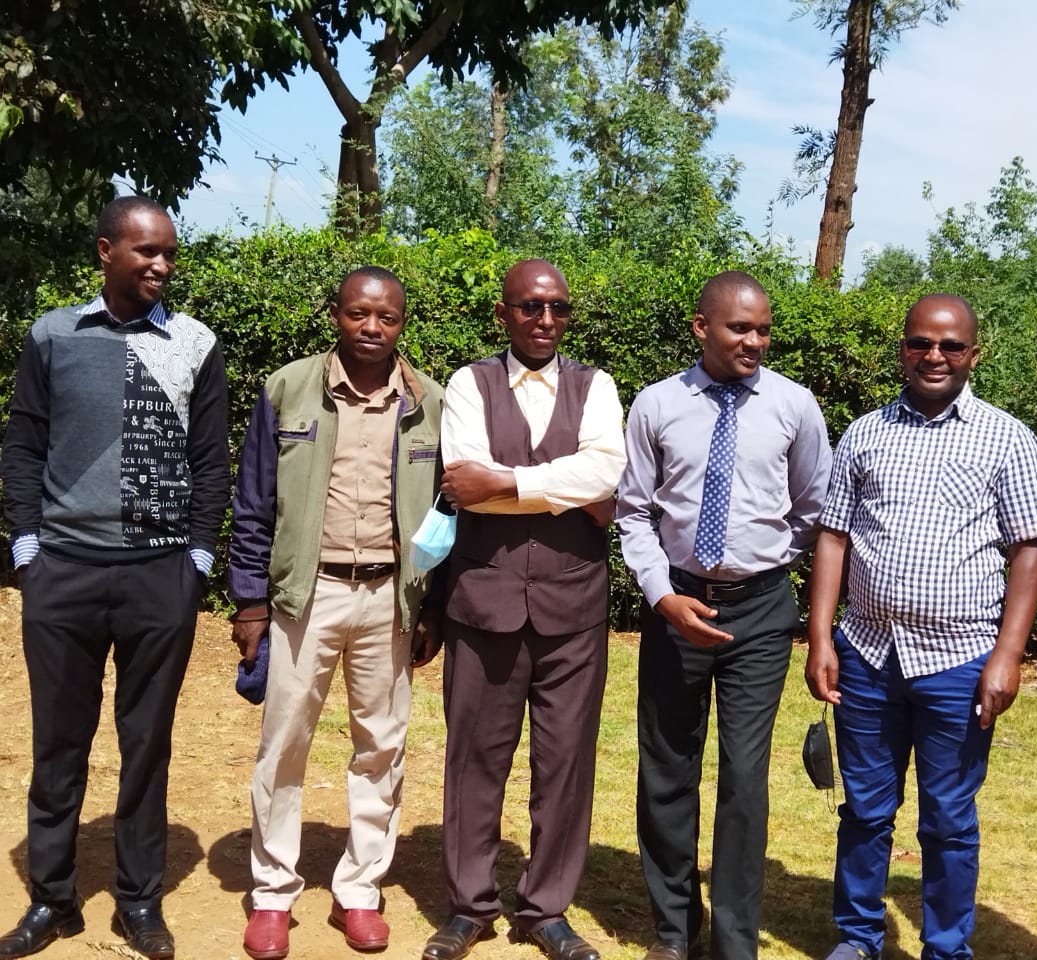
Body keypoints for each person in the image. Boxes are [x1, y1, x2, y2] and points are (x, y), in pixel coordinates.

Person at [0, 196, 229, 960]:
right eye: (147, 251)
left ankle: (139, 901)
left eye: (169, 253)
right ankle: (52, 899)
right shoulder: (53, 336)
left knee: (146, 746)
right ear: (106, 251)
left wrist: (195, 564)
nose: (163, 265)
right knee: (57, 747)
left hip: (158, 579)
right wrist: (28, 553)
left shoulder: (196, 344)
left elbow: (211, 463)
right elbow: (23, 446)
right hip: (62, 573)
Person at [805, 294, 1037, 960]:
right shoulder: (865, 433)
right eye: (921, 343)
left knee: (947, 819)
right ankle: (859, 937)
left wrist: (1008, 656)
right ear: (903, 350)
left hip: (960, 660)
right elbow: (833, 537)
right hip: (867, 654)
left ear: (974, 354)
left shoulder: (1006, 437)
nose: (934, 356)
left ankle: (946, 948)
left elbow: (1029, 550)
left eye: (950, 345)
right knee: (865, 809)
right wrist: (822, 637)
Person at [228, 266, 445, 960]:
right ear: (335, 314)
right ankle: (272, 893)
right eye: (358, 313)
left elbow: (446, 515)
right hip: (306, 595)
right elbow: (253, 501)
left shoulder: (429, 403)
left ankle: (360, 888)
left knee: (381, 747)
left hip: (390, 598)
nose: (372, 328)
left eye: (387, 317)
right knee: (283, 743)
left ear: (401, 323)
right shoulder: (288, 389)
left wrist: (432, 606)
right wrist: (250, 600)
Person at [615, 270, 832, 960]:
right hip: (676, 603)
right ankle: (674, 930)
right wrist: (663, 595)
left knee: (744, 776)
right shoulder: (656, 404)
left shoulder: (794, 406)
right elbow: (634, 512)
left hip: (760, 614)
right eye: (740, 328)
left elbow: (815, 508)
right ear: (701, 327)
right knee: (668, 767)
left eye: (763, 329)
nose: (754, 341)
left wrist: (762, 567)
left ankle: (736, 943)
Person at [420, 259, 625, 960]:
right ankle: (469, 906)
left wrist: (505, 482)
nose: (546, 319)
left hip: (574, 608)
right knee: (474, 759)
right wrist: (568, 492)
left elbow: (606, 472)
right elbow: (464, 486)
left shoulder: (597, 387)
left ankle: (546, 909)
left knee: (565, 763)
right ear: (504, 313)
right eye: (531, 306)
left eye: (559, 307)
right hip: (484, 603)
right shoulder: (468, 384)